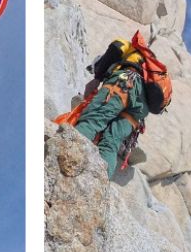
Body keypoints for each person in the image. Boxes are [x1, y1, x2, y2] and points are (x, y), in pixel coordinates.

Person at [56, 33, 168, 177]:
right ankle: (99, 181)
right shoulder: (150, 70)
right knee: (111, 143)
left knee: (93, 120)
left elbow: (116, 47)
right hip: (139, 110)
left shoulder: (130, 48)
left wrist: (98, 78)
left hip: (125, 83)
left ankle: (62, 158)